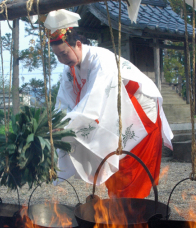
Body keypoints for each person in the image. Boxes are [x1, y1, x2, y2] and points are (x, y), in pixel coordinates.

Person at [44, 10, 173, 199]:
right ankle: (118, 212)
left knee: (129, 167)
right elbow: (64, 103)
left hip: (140, 112)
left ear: (78, 45)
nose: (62, 61)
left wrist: (68, 126)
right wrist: (56, 126)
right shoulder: (69, 70)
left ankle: (133, 216)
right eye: (57, 57)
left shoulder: (101, 60)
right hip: (119, 113)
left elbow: (93, 102)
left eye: (64, 54)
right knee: (111, 160)